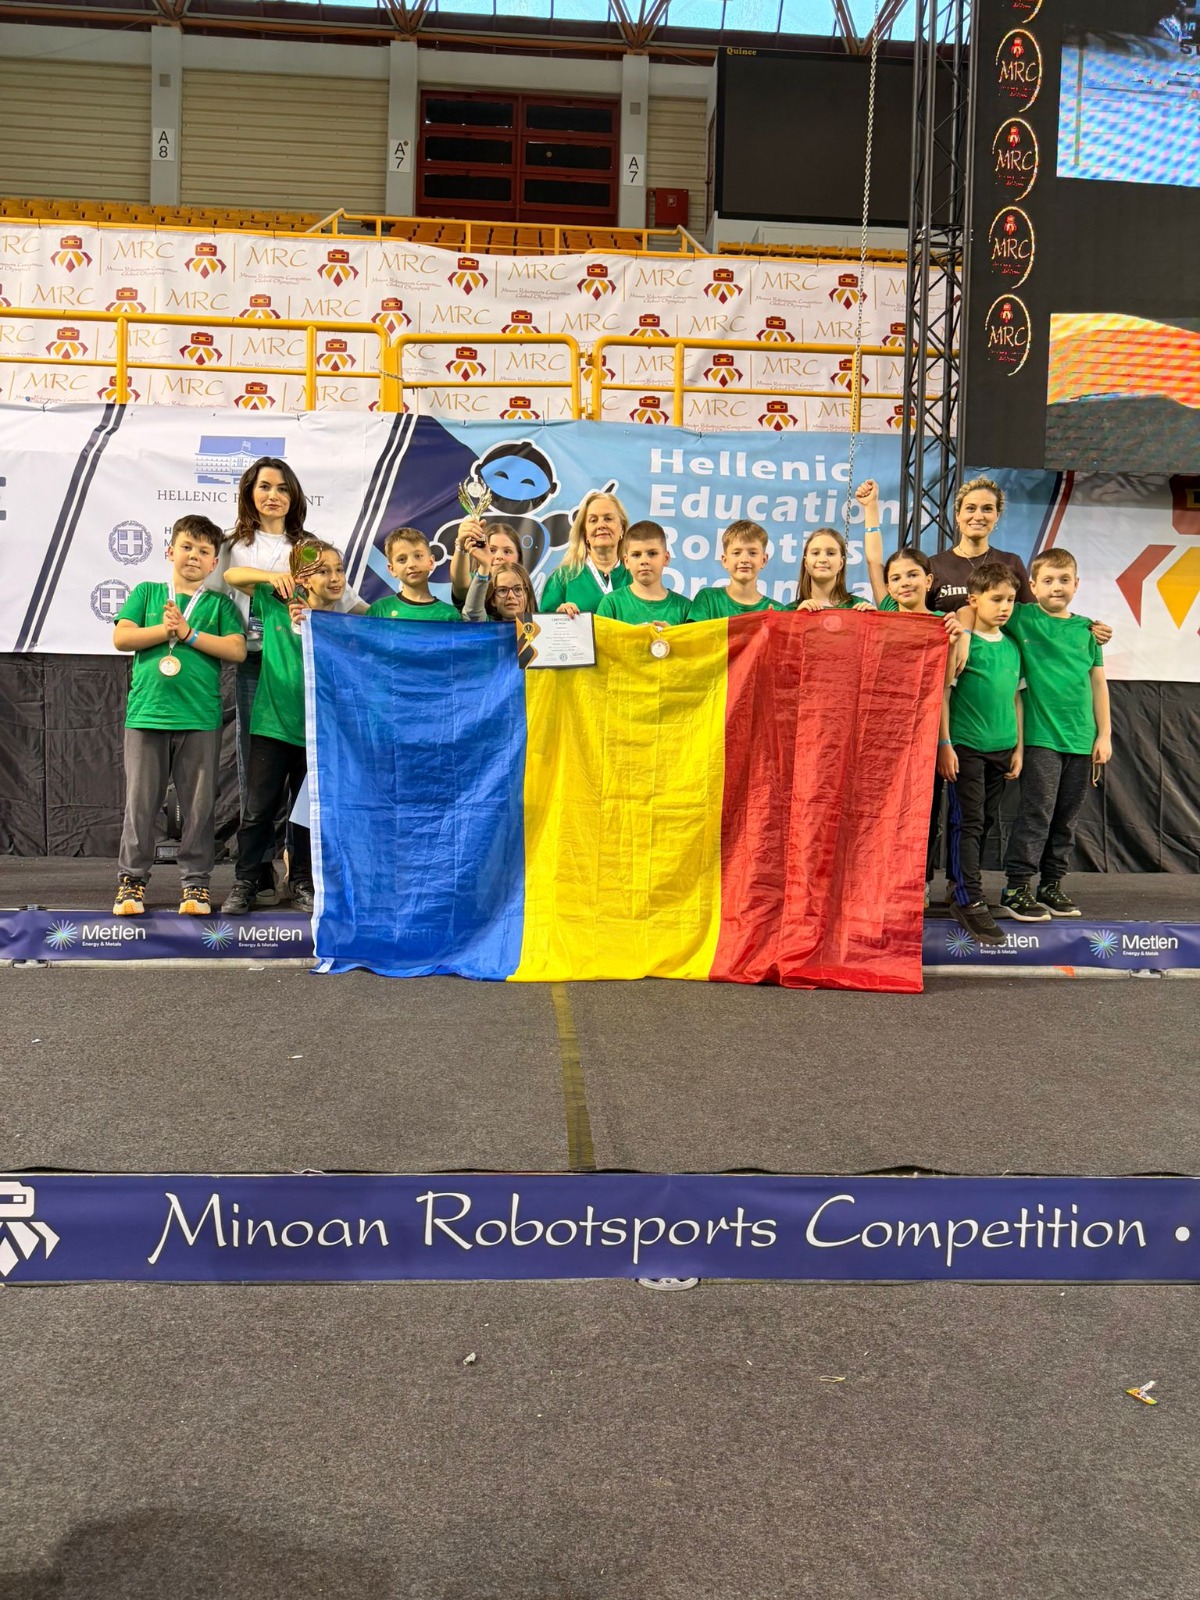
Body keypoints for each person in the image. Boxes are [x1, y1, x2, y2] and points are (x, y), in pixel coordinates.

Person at [216, 456, 364, 902]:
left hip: (309, 662)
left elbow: (349, 601)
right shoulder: (231, 544)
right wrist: (273, 578)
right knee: (257, 771)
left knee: (306, 777)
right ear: (249, 493)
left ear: (294, 495)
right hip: (256, 660)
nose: (273, 495)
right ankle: (256, 871)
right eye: (264, 486)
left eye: (282, 488)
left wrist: (397, 616)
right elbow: (225, 583)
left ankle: (299, 871)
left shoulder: (310, 547)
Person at [112, 515, 247, 917]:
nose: (194, 555)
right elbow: (122, 637)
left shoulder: (220, 604)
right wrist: (166, 630)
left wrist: (189, 634)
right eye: (186, 547)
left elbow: (237, 650)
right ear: (170, 551)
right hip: (147, 716)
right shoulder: (148, 593)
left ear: (213, 564)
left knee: (200, 807)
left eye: (204, 551)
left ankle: (196, 883)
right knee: (139, 805)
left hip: (200, 718)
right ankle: (132, 880)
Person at [220, 541, 348, 916]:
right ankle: (247, 881)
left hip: (317, 734)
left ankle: (302, 881)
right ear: (303, 577)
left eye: (339, 569)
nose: (335, 577)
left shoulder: (344, 625)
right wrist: (277, 577)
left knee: (306, 814)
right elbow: (231, 575)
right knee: (258, 811)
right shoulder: (276, 603)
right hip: (272, 727)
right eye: (323, 570)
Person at [999, 549, 1112, 921]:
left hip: (1080, 739)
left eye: (1064, 580)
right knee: (1037, 813)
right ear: (1033, 586)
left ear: (1076, 584)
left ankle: (1051, 885)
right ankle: (1016, 887)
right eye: (1047, 580)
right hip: (1040, 737)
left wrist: (1104, 735)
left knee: (1066, 818)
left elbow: (1098, 683)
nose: (1056, 587)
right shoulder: (1022, 617)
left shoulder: (1087, 631)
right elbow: (983, 609)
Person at [938, 563, 1024, 946]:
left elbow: (1016, 699)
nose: (1004, 607)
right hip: (967, 746)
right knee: (968, 822)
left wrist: (1018, 747)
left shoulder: (1012, 646)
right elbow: (944, 693)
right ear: (974, 600)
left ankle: (963, 885)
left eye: (1009, 600)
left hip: (1001, 749)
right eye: (996, 599)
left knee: (985, 821)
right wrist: (945, 745)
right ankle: (968, 898)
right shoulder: (962, 642)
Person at [928, 478, 1035, 614]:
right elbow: (917, 616)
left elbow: (1029, 616)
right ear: (958, 515)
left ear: (997, 516)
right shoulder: (934, 566)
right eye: (970, 508)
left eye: (987, 509)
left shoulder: (1011, 563)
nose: (978, 516)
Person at [540, 490, 632, 616]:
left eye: (608, 518)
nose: (601, 525)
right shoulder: (563, 578)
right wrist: (559, 618)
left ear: (622, 528)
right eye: (593, 520)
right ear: (585, 533)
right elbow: (543, 625)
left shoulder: (635, 576)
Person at [596, 521, 691, 626]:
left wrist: (671, 634)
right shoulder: (611, 603)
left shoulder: (685, 608)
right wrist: (633, 634)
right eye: (636, 555)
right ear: (626, 561)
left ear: (666, 558)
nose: (644, 561)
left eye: (652, 553)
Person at [688, 521, 784, 618]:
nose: (744, 560)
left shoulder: (778, 611)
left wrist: (774, 624)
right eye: (737, 553)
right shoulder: (708, 599)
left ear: (763, 560)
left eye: (752, 553)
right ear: (725, 561)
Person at [365, 528, 461, 621]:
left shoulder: (449, 615)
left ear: (431, 562)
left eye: (418, 556)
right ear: (392, 569)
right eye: (402, 559)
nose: (411, 564)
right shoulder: (380, 610)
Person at [788, 527, 874, 612]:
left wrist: (871, 618)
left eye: (830, 553)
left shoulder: (859, 607)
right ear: (806, 563)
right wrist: (797, 617)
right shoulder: (789, 611)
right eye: (815, 553)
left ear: (841, 563)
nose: (822, 560)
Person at [450, 519, 523, 610]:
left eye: (507, 551)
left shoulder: (526, 589)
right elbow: (461, 584)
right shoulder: (473, 583)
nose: (499, 556)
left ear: (519, 557)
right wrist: (461, 546)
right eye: (492, 550)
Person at [462, 561, 538, 622]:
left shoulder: (541, 626)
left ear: (528, 595)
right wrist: (484, 567)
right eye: (503, 590)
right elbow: (473, 613)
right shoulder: (487, 626)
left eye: (518, 589)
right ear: (493, 600)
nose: (511, 596)